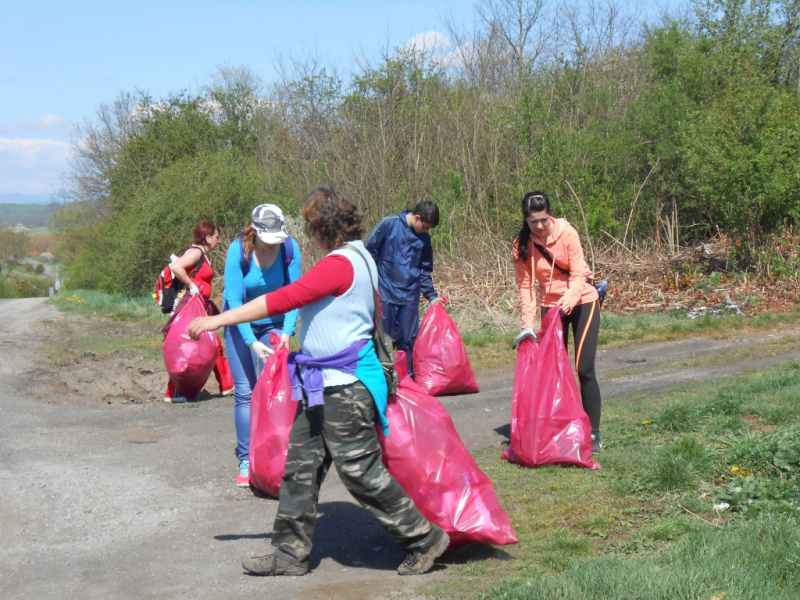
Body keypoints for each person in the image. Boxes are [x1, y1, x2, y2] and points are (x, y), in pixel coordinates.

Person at [188, 188, 449, 577]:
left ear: (324, 228)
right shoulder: (359, 254)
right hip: (322, 383)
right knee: (300, 468)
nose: (308, 234)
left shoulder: (341, 264)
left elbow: (283, 299)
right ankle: (289, 554)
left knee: (360, 470)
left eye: (311, 227)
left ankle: (424, 539)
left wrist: (215, 320)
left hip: (346, 384)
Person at [512, 191, 603, 452]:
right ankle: (563, 427)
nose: (539, 226)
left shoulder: (567, 233)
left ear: (550, 214)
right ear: (525, 220)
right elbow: (526, 287)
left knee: (583, 369)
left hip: (583, 301)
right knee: (555, 373)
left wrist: (571, 297)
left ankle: (594, 433)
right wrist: (527, 324)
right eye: (533, 221)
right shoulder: (522, 244)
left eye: (543, 220)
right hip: (551, 309)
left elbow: (578, 273)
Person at [222, 204, 301, 487]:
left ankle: (276, 451)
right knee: (245, 392)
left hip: (275, 323)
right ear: (255, 232)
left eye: (277, 239)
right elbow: (234, 301)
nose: (272, 245)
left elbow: (295, 294)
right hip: (241, 323)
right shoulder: (237, 251)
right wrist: (251, 342)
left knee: (279, 388)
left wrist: (287, 333)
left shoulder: (290, 249)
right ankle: (246, 459)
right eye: (268, 240)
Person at [366, 200, 442, 378]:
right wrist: (369, 288)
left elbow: (424, 270)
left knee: (408, 343)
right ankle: (382, 383)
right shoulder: (388, 225)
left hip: (409, 298)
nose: (427, 231)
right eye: (426, 227)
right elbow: (368, 256)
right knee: (383, 343)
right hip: (384, 295)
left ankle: (407, 382)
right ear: (417, 218)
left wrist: (432, 296)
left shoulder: (424, 239)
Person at [163, 220, 234, 403]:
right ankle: (175, 392)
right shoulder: (195, 252)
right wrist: (192, 285)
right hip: (190, 304)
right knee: (185, 343)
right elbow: (176, 267)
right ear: (208, 237)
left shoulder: (201, 254)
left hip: (199, 304)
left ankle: (227, 385)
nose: (218, 241)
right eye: (217, 238)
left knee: (212, 342)